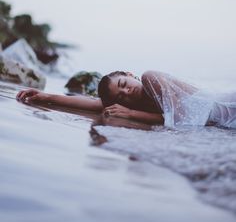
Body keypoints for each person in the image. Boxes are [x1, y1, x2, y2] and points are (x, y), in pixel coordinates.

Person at [16, 70, 236, 128]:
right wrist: (46, 97)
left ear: (130, 75)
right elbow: (94, 105)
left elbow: (180, 121)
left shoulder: (152, 78)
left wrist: (131, 114)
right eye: (121, 97)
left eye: (124, 84)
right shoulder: (140, 104)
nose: (126, 92)